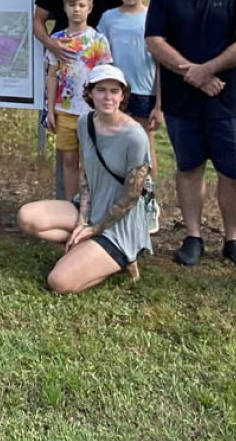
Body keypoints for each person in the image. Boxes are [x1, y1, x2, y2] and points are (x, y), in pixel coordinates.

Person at [145, 0, 236, 272]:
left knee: (233, 173)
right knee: (189, 168)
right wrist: (191, 72)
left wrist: (207, 70)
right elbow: (154, 41)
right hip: (183, 103)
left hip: (231, 102)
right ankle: (193, 236)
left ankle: (233, 239)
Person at [16, 64, 153, 294]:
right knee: (27, 217)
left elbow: (131, 196)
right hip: (91, 207)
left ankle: (121, 256)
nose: (107, 97)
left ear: (122, 96)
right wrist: (83, 220)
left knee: (59, 282)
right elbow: (86, 174)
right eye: (101, 90)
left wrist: (96, 228)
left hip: (121, 222)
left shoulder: (135, 136)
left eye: (114, 91)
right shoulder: (85, 123)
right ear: (89, 93)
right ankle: (89, 247)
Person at [98, 0, 162, 233]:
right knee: (115, 144)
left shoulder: (153, 17)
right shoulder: (109, 18)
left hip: (143, 92)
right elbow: (101, 53)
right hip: (115, 92)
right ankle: (119, 198)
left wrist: (159, 102)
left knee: (144, 147)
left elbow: (160, 63)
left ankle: (149, 200)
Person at [46, 0, 113, 202]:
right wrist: (49, 110)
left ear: (89, 8)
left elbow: (105, 74)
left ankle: (91, 204)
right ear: (64, 8)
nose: (76, 9)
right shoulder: (57, 40)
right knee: (68, 158)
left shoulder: (98, 40)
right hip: (64, 109)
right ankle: (70, 203)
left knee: (91, 160)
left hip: (91, 112)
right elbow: (51, 74)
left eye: (81, 5)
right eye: (71, 5)